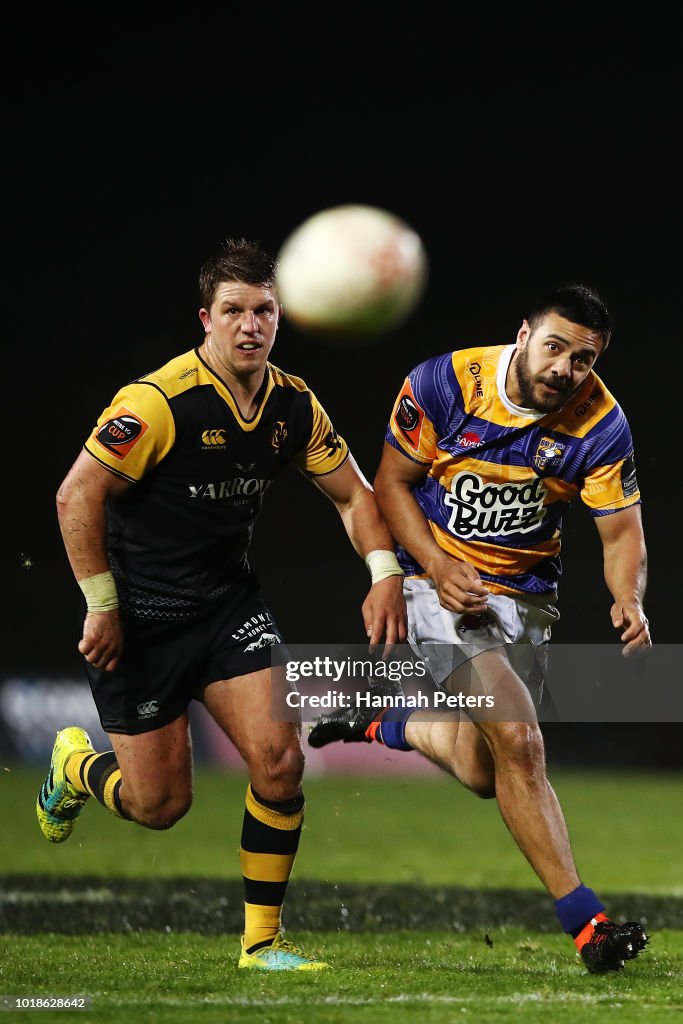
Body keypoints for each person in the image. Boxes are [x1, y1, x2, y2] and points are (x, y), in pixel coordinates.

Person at [36, 237, 407, 971]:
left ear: (279, 317)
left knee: (278, 761)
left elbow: (354, 496)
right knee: (159, 808)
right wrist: (100, 604)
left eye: (263, 310)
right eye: (233, 310)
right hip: (140, 621)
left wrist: (384, 570)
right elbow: (76, 494)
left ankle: (260, 944)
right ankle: (77, 768)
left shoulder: (292, 405)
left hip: (226, 606)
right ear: (205, 319)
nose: (250, 325)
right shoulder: (158, 403)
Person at [309, 282, 651, 974]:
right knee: (520, 741)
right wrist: (433, 565)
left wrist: (629, 598)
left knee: (478, 769)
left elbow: (620, 535)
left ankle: (387, 723)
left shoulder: (599, 422)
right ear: (522, 335)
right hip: (439, 588)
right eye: (554, 347)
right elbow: (391, 483)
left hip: (525, 596)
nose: (565, 369)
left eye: (582, 360)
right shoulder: (444, 383)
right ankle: (586, 924)